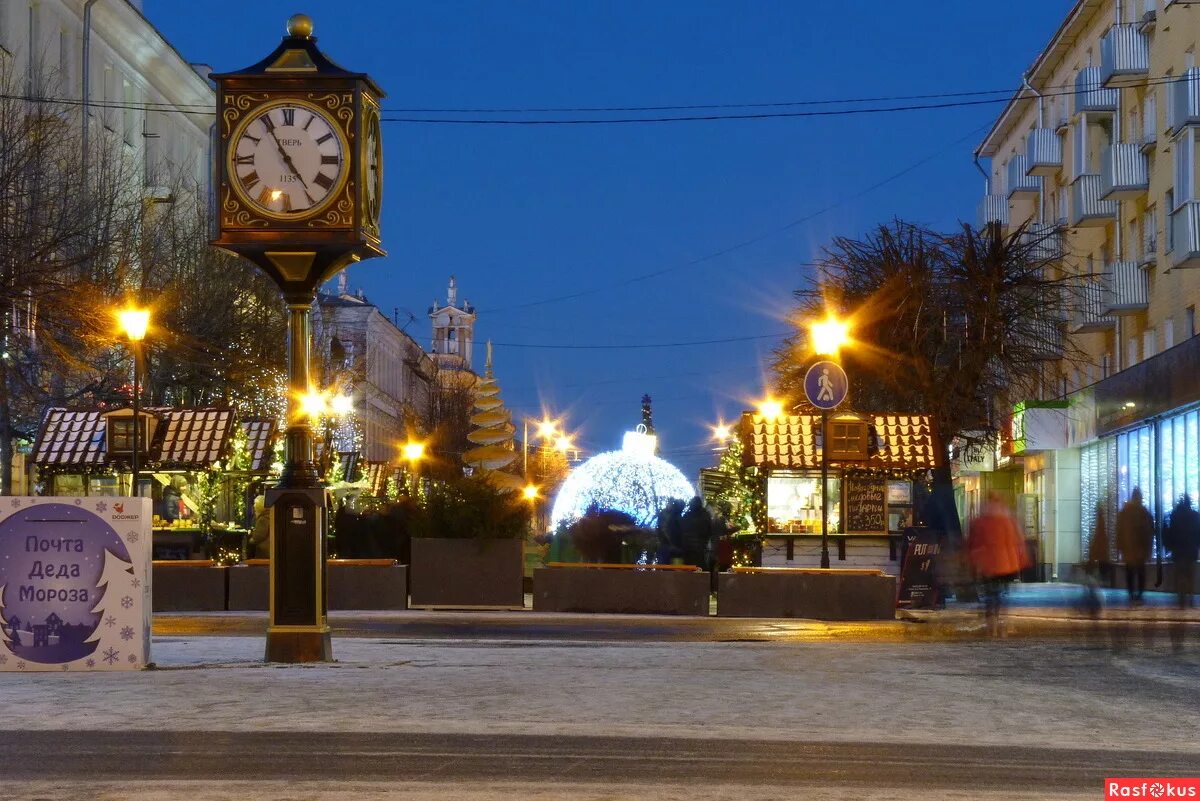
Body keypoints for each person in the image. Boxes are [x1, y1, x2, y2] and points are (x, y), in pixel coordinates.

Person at [967, 493, 1028, 636]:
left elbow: (972, 543)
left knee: (990, 593)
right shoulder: (1009, 521)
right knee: (1002, 594)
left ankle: (991, 627)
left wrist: (971, 561)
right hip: (1006, 564)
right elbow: (1018, 542)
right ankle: (1002, 623)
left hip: (986, 564)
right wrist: (1021, 561)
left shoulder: (980, 521)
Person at [1115, 488, 1153, 605]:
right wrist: (1148, 549)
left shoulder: (1125, 513)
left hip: (1130, 549)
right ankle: (1138, 594)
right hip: (1139, 550)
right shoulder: (1144, 513)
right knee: (1140, 572)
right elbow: (1150, 532)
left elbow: (1119, 531)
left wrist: (1120, 547)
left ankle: (1132, 593)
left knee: (1131, 572)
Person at [1164, 494, 1200, 609]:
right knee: (1190, 574)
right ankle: (1190, 597)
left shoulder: (1174, 515)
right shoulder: (1195, 515)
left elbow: (1170, 533)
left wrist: (1169, 546)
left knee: (1180, 574)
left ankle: (1181, 598)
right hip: (1191, 550)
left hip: (1178, 550)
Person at [1089, 504, 1113, 588]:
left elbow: (1099, 534)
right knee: (1103, 564)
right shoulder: (1102, 520)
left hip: (1101, 548)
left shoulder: (1100, 521)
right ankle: (1104, 581)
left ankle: (1103, 581)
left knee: (1102, 565)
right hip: (1102, 549)